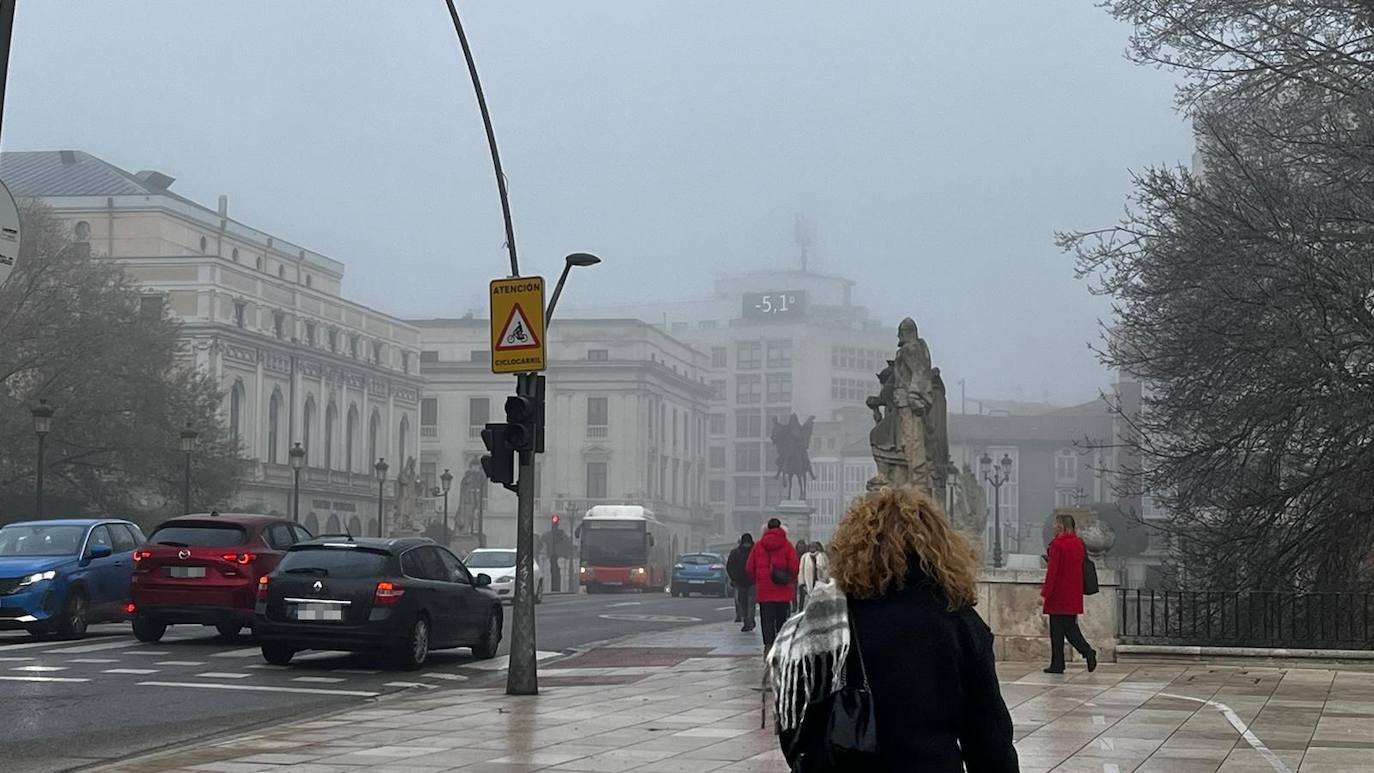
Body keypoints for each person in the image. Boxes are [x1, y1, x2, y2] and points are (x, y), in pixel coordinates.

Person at [769, 486, 1018, 773]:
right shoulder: (957, 620)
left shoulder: (825, 621)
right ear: (939, 546)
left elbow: (794, 724)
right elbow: (989, 738)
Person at [1042, 513, 1097, 674]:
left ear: (1060, 526)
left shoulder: (1057, 545)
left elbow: (1053, 572)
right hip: (1073, 591)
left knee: (1058, 631)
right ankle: (1063, 661)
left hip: (1059, 593)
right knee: (1068, 627)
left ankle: (1082, 653)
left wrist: (1046, 592)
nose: (1053, 527)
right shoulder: (1079, 543)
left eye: (1055, 524)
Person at [747, 517, 800, 652]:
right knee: (782, 619)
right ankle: (781, 645)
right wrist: (789, 579)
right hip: (782, 590)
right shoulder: (787, 546)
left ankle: (768, 646)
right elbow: (794, 567)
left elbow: (749, 568)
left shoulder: (758, 545)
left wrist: (759, 579)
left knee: (767, 620)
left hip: (764, 590)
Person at [726, 533, 756, 632]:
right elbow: (730, 566)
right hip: (746, 582)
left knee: (746, 603)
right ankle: (749, 621)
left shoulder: (753, 552)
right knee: (746, 604)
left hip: (748, 582)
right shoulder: (752, 552)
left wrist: (734, 578)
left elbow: (730, 566)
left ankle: (748, 622)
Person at [799, 540, 829, 605]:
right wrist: (802, 583)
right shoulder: (805, 556)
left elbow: (826, 568)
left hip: (819, 580)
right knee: (809, 598)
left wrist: (826, 579)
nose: (812, 548)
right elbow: (801, 570)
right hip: (808, 580)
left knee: (819, 598)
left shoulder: (822, 556)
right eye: (811, 547)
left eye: (814, 547)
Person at [793, 539, 811, 611]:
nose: (801, 547)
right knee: (793, 592)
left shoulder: (807, 555)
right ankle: (795, 606)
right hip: (794, 574)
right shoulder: (794, 553)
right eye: (799, 546)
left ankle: (801, 607)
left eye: (802, 546)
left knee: (802, 592)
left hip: (803, 574)